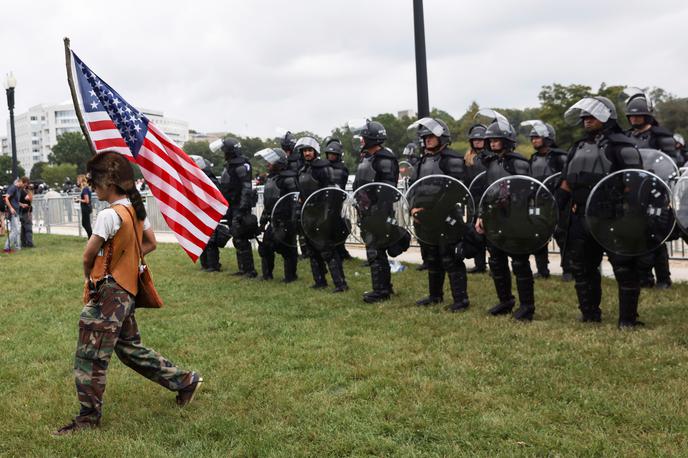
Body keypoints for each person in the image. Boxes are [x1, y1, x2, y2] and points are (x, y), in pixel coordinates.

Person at [54, 151, 202, 436]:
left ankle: (88, 419)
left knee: (90, 355)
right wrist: (125, 259)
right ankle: (185, 381)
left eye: (95, 182)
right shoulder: (135, 209)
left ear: (108, 183)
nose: (92, 187)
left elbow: (88, 254)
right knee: (129, 349)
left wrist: (90, 274)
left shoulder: (109, 214)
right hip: (127, 290)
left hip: (108, 292)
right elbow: (150, 243)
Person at [559, 96, 644, 327]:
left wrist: (630, 216)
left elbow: (633, 184)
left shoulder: (622, 146)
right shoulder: (577, 147)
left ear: (607, 117)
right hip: (581, 217)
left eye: (592, 116)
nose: (586, 120)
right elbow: (566, 183)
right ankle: (589, 314)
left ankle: (627, 320)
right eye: (584, 116)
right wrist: (557, 210)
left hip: (613, 215)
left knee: (625, 267)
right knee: (582, 267)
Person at [474, 111, 535, 321]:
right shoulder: (491, 163)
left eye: (497, 139)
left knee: (519, 263)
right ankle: (505, 301)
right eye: (490, 139)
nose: (492, 142)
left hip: (515, 219)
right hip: (494, 218)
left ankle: (527, 306)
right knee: (497, 261)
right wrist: (481, 215)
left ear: (507, 140)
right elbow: (487, 191)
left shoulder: (519, 163)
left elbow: (529, 191)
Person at [409, 117, 470, 312]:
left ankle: (461, 300)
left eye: (431, 136)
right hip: (425, 219)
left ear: (442, 137)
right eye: (425, 136)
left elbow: (455, 190)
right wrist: (412, 208)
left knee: (450, 258)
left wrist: (434, 212)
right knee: (433, 258)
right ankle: (435, 295)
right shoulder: (422, 161)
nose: (427, 139)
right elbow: (413, 188)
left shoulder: (452, 159)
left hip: (447, 217)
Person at [624, 90, 677, 289]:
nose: (634, 118)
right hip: (632, 192)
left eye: (638, 115)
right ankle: (644, 278)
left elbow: (673, 163)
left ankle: (664, 279)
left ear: (647, 115)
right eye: (631, 115)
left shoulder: (661, 136)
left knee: (656, 235)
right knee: (636, 234)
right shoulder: (626, 137)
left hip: (656, 193)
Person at [352, 120, 399, 303]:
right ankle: (385, 287)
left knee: (375, 251)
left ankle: (381, 291)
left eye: (364, 137)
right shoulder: (367, 157)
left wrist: (378, 211)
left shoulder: (384, 159)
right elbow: (360, 184)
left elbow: (387, 190)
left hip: (379, 212)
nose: (361, 140)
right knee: (375, 251)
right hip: (367, 211)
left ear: (372, 138)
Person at [296, 136, 348, 292]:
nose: (307, 153)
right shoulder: (302, 170)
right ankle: (320, 281)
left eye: (309, 150)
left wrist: (326, 216)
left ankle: (340, 284)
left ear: (315, 152)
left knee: (328, 250)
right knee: (312, 249)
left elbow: (331, 192)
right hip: (308, 214)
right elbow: (303, 192)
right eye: (305, 151)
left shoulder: (323, 168)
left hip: (323, 214)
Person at [525, 121, 568, 280]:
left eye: (537, 137)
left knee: (562, 235)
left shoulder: (560, 157)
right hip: (539, 201)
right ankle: (542, 270)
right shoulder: (533, 158)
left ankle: (568, 270)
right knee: (539, 235)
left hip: (559, 201)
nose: (534, 140)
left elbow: (566, 179)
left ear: (547, 138)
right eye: (532, 137)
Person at [213, 137, 258, 278]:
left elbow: (246, 188)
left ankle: (249, 270)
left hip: (240, 206)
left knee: (241, 237)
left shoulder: (241, 165)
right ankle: (243, 269)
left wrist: (242, 209)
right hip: (232, 205)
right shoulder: (232, 165)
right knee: (236, 237)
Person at [255, 147, 299, 282]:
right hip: (273, 220)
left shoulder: (289, 179)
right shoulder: (271, 179)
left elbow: (295, 201)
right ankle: (267, 275)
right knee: (266, 247)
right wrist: (262, 222)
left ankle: (290, 277)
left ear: (278, 162)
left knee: (288, 250)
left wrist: (293, 222)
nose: (268, 164)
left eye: (270, 161)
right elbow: (268, 204)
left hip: (286, 221)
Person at [192, 156, 225, 272]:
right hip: (200, 213)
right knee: (201, 240)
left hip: (210, 214)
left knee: (211, 241)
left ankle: (213, 265)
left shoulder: (212, 181)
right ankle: (205, 264)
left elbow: (217, 198)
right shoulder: (196, 181)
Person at [464, 124, 489, 274]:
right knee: (476, 232)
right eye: (475, 139)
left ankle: (496, 263)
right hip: (474, 198)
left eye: (480, 139)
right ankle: (479, 265)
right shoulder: (467, 158)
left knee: (491, 232)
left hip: (488, 197)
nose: (478, 142)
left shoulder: (490, 157)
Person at [324, 137, 353, 261]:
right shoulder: (324, 167)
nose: (331, 156)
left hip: (336, 201)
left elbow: (339, 182)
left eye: (333, 154)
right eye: (329, 154)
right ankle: (334, 250)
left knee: (340, 226)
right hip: (325, 202)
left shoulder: (342, 168)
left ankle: (340, 250)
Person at [3, 176, 27, 252]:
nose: (25, 186)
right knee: (15, 230)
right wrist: (11, 208)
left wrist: (21, 204)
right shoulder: (13, 188)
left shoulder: (19, 189)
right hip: (13, 212)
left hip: (17, 211)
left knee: (16, 230)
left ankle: (17, 247)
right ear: (21, 182)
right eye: (25, 185)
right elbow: (6, 198)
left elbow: (15, 201)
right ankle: (7, 247)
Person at [19, 179, 34, 248]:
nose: (28, 185)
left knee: (23, 228)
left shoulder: (20, 191)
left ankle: (23, 244)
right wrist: (30, 191)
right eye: (27, 183)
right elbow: (30, 198)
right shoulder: (23, 191)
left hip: (23, 212)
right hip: (25, 212)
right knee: (28, 228)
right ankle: (29, 243)